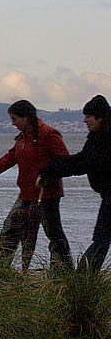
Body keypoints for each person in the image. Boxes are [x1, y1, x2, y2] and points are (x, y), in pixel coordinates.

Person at [0, 100, 72, 271]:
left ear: (26, 118)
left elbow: (65, 161)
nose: (13, 123)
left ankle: (63, 272)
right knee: (10, 230)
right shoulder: (22, 138)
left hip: (46, 195)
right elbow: (8, 159)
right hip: (26, 194)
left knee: (54, 234)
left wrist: (47, 173)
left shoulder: (49, 134)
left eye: (15, 119)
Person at [39, 94, 111, 272]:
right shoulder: (96, 137)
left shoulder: (104, 139)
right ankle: (84, 275)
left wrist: (53, 169)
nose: (85, 121)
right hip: (107, 194)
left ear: (100, 117)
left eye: (88, 117)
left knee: (102, 237)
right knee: (102, 237)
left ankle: (82, 275)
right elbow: (82, 160)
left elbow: (85, 163)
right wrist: (52, 168)